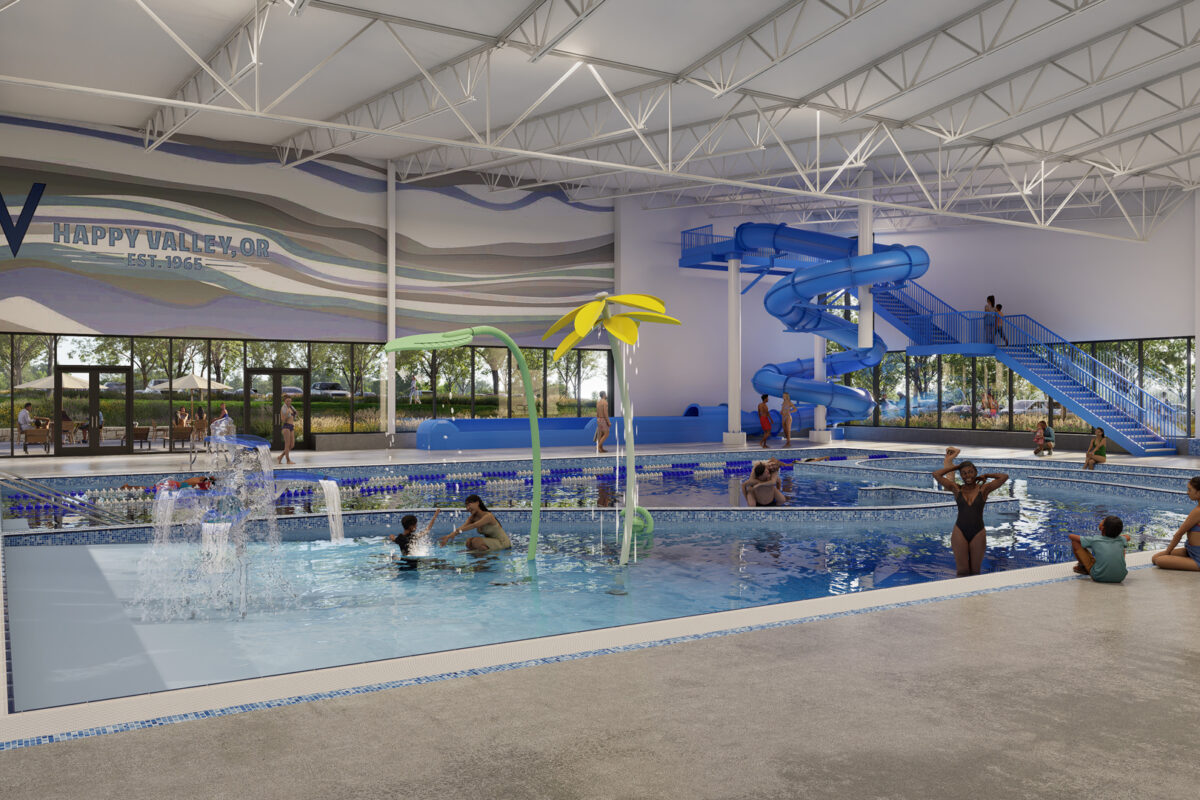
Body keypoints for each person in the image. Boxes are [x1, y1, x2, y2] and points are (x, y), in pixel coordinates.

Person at [932, 446, 1009, 576]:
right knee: (962, 571)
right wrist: (957, 467)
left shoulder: (983, 490)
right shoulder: (957, 489)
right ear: (961, 475)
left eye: (970, 472)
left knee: (975, 571)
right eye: (964, 473)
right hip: (959, 531)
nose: (968, 475)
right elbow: (936, 474)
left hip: (978, 532)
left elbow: (1004, 477)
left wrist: (987, 475)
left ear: (976, 472)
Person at [1150, 476, 1200, 572]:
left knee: (1159, 560)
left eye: (1190, 490)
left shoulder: (1198, 511)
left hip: (1198, 557)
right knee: (1155, 558)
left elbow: (1179, 534)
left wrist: (1167, 552)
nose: (1187, 492)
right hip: (1190, 551)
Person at [439, 495, 511, 551]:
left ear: (477, 503)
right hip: (492, 541)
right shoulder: (472, 517)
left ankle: (484, 556)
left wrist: (457, 532)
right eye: (466, 506)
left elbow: (474, 525)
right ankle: (481, 559)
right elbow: (462, 527)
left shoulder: (488, 516)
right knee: (468, 542)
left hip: (503, 543)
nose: (467, 508)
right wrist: (448, 536)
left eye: (469, 505)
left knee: (476, 542)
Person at [1068, 516, 1129, 583]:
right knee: (1122, 545)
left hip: (1098, 576)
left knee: (1075, 542)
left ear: (1102, 528)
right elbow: (1128, 537)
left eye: (1102, 521)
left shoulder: (1095, 540)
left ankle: (1083, 567)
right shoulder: (1121, 539)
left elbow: (1071, 536)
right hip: (1120, 577)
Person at [277, 394, 297, 465]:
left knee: (292, 445)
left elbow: (294, 415)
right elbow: (282, 419)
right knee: (287, 445)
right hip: (286, 427)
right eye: (287, 401)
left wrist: (295, 413)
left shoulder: (291, 407)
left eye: (290, 401)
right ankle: (288, 460)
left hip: (291, 426)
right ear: (284, 401)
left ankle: (280, 456)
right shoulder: (283, 408)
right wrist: (287, 414)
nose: (289, 402)